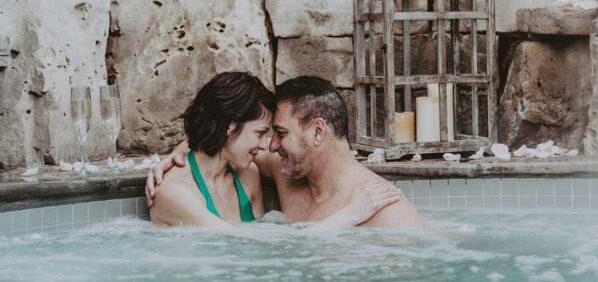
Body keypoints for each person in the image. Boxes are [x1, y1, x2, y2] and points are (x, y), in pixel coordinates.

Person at [148, 76, 425, 228]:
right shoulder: (276, 169)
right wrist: (179, 151)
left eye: (279, 134)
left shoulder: (387, 212)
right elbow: (237, 250)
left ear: (318, 131)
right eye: (264, 133)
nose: (269, 146)